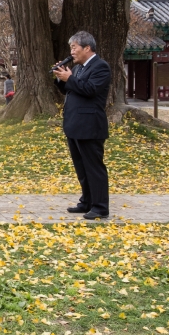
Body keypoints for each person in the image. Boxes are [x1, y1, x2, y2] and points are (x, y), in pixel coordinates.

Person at [53, 31, 111, 220]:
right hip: (74, 124)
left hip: (90, 125)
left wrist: (69, 79)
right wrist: (60, 77)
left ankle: (100, 206)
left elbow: (90, 90)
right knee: (81, 168)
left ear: (87, 48)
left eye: (74, 47)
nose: (72, 51)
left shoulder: (100, 67)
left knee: (94, 167)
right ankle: (86, 201)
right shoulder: (77, 69)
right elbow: (70, 89)